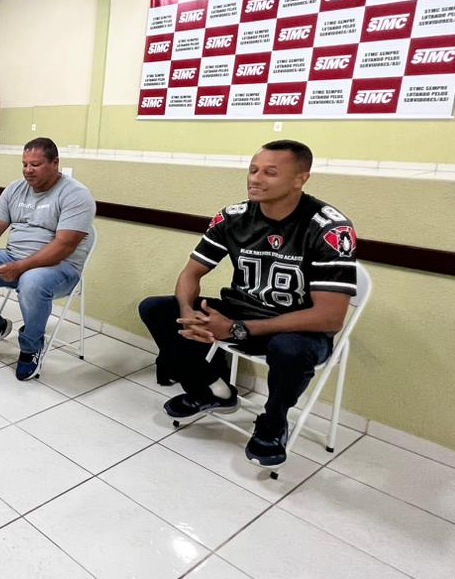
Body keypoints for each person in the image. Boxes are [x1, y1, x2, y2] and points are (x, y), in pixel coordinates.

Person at [138, 140, 357, 467]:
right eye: (253, 170)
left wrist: (238, 329)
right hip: (239, 313)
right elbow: (191, 273)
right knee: (157, 309)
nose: (256, 179)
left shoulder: (329, 227)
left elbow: (329, 318)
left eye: (270, 173)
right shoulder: (234, 217)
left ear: (300, 179)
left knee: (290, 350)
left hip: (298, 328)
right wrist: (187, 314)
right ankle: (211, 391)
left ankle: (274, 420)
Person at [0, 137, 96, 381]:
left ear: (55, 163)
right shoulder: (15, 189)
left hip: (59, 268)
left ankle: (30, 346)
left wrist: (20, 268)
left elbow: (64, 246)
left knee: (32, 281)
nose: (28, 170)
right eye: (24, 164)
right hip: (13, 259)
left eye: (36, 164)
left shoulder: (76, 195)